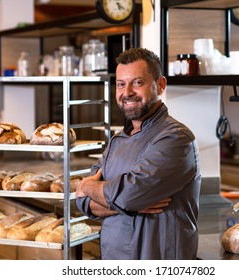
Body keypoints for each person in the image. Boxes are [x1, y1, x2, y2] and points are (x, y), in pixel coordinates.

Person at [75, 47, 201, 260]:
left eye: (138, 82)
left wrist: (87, 185)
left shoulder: (176, 138)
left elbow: (127, 196)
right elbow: (83, 203)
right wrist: (125, 203)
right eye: (121, 84)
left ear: (160, 85)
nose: (127, 93)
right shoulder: (118, 139)